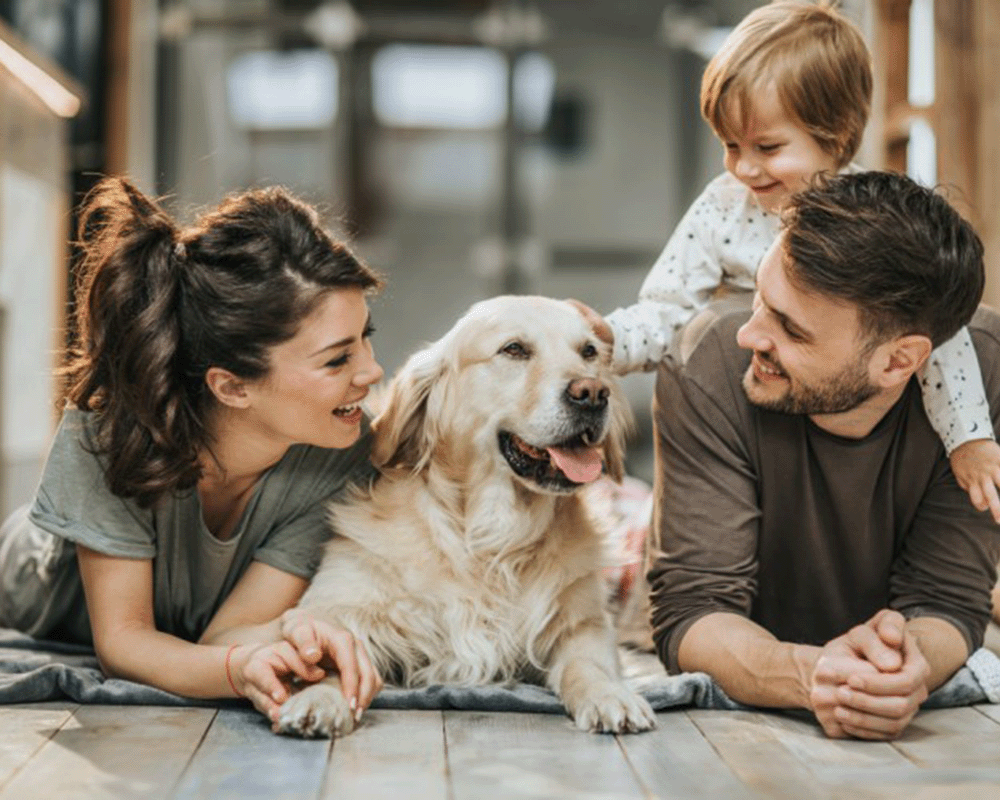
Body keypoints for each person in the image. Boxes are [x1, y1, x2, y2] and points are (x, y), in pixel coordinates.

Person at [0, 177, 385, 725]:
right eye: (336, 360)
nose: (372, 371)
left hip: (185, 617)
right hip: (34, 579)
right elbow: (124, 643)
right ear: (232, 386)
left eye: (367, 337)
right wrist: (239, 668)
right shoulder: (108, 436)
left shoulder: (343, 453)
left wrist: (282, 639)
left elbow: (224, 636)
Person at [603, 0, 1000, 520]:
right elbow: (666, 308)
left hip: (854, 435)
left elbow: (938, 339)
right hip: (760, 425)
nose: (743, 167)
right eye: (729, 144)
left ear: (833, 136)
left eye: (767, 147)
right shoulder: (724, 207)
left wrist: (968, 438)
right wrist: (600, 345)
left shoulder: (872, 224)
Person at [648, 170, 1000, 740]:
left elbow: (948, 601)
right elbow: (691, 610)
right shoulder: (707, 361)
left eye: (790, 328)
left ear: (898, 362)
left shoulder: (986, 378)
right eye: (760, 300)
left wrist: (904, 669)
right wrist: (814, 675)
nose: (751, 336)